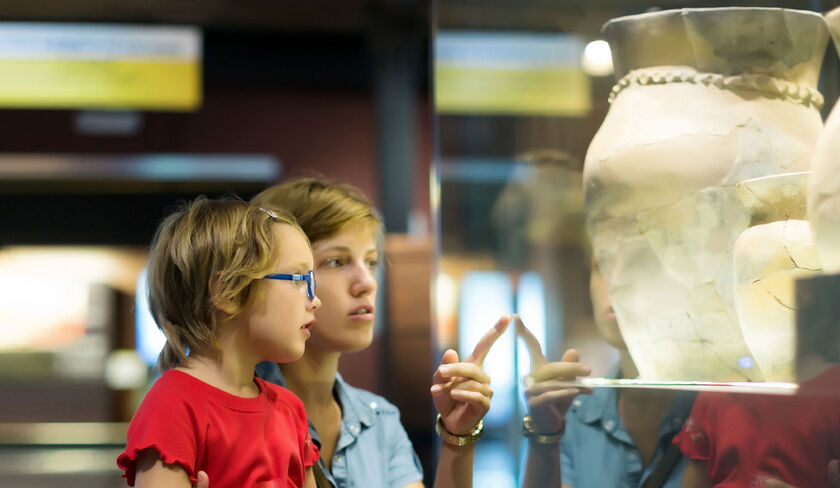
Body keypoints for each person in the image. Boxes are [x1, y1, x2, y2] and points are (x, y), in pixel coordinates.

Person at [250, 177, 506, 488]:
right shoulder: (229, 413)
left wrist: (458, 436)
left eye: (371, 262)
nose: (367, 283)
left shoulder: (379, 420)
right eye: (336, 261)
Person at [117, 197, 322, 487]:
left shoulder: (290, 409)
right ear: (228, 292)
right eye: (299, 279)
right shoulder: (173, 406)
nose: (315, 300)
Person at [519, 260, 696, 488]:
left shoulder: (721, 405)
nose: (615, 282)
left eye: (640, 262)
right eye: (603, 265)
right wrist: (544, 435)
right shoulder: (573, 413)